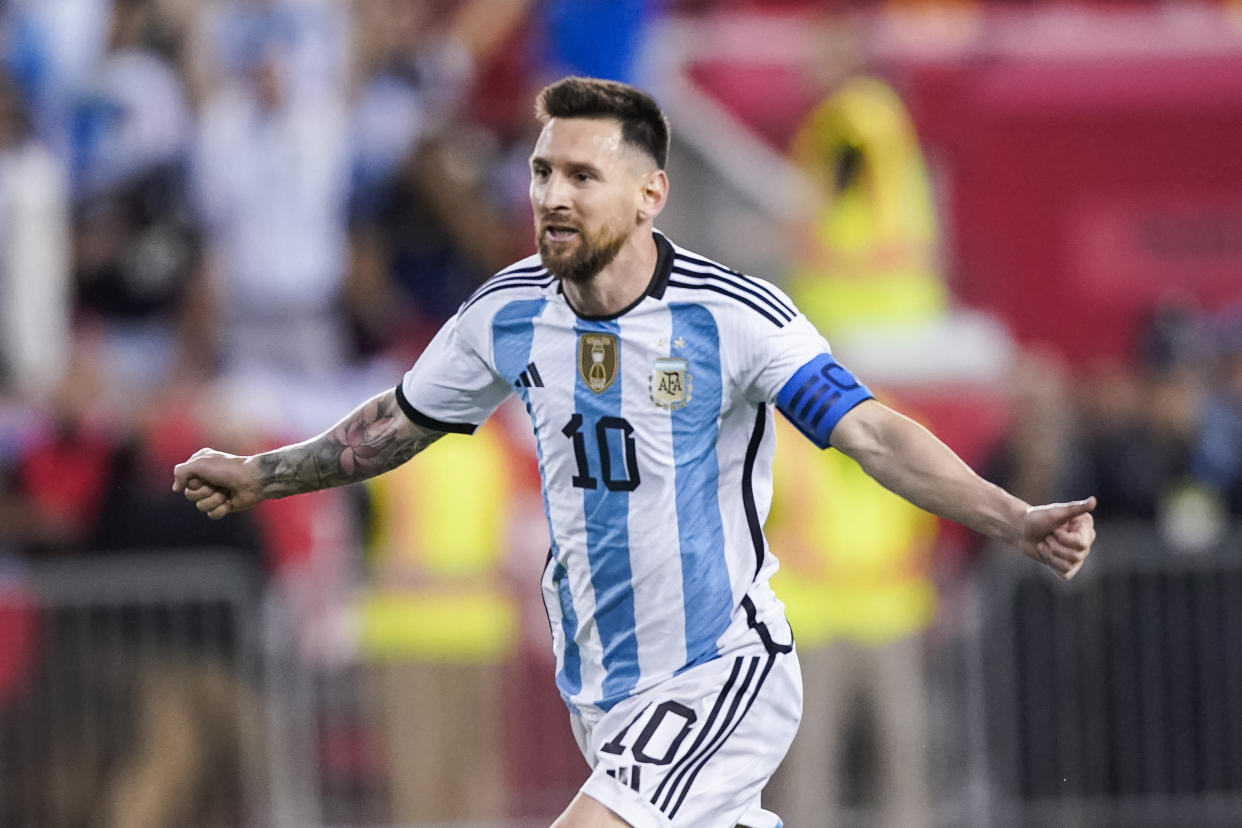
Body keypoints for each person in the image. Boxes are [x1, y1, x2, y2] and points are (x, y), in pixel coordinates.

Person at [172, 76, 1097, 828]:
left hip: (721, 670)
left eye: (582, 175)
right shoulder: (508, 313)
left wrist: (1011, 515)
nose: (552, 197)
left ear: (651, 192)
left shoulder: (733, 318)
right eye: (541, 173)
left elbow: (873, 433)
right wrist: (264, 474)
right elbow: (393, 424)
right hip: (606, 695)